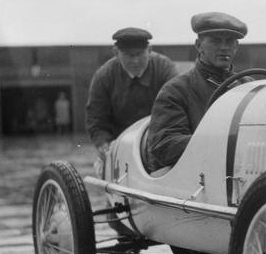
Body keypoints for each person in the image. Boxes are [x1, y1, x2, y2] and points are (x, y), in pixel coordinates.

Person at [146, 12, 248, 172]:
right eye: (215, 41)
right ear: (198, 45)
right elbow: (163, 145)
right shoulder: (175, 90)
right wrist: (220, 143)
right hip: (195, 180)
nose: (223, 47)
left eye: (229, 41)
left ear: (236, 47)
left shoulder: (248, 88)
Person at [85, 27, 178, 166]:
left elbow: (176, 110)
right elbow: (96, 119)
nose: (135, 61)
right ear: (116, 53)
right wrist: (103, 144)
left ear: (150, 50)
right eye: (129, 55)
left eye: (140, 54)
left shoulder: (166, 69)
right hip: (119, 146)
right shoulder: (103, 76)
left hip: (158, 142)